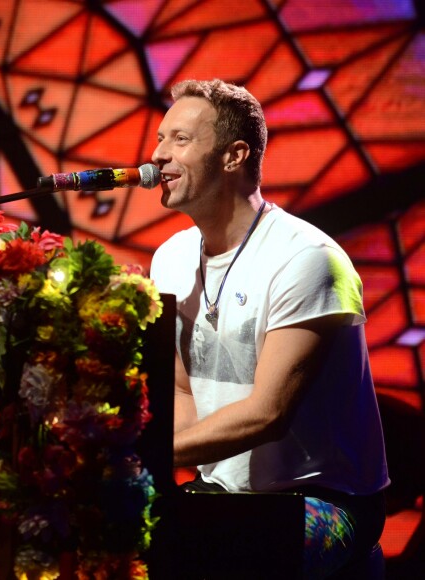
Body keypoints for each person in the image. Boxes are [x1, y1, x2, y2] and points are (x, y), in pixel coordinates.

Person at [149, 79, 389, 579]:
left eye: (180, 140)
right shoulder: (169, 257)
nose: (158, 156)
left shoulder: (307, 259)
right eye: (159, 139)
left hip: (326, 501)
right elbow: (178, 387)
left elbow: (267, 414)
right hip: (222, 493)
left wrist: (144, 454)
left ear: (234, 156)